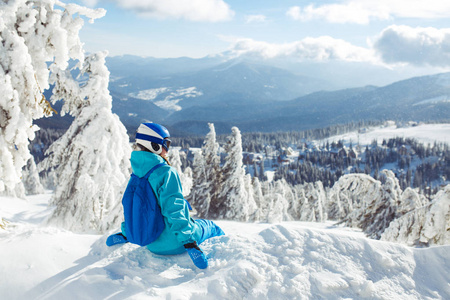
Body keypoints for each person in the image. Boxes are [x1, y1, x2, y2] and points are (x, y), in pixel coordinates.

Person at [107, 122, 224, 269]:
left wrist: (127, 232)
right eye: (165, 144)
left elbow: (132, 207)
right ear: (154, 145)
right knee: (210, 226)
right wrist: (189, 242)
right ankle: (227, 244)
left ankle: (125, 236)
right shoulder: (166, 172)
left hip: (151, 242)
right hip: (175, 243)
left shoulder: (137, 173)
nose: (166, 149)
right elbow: (173, 210)